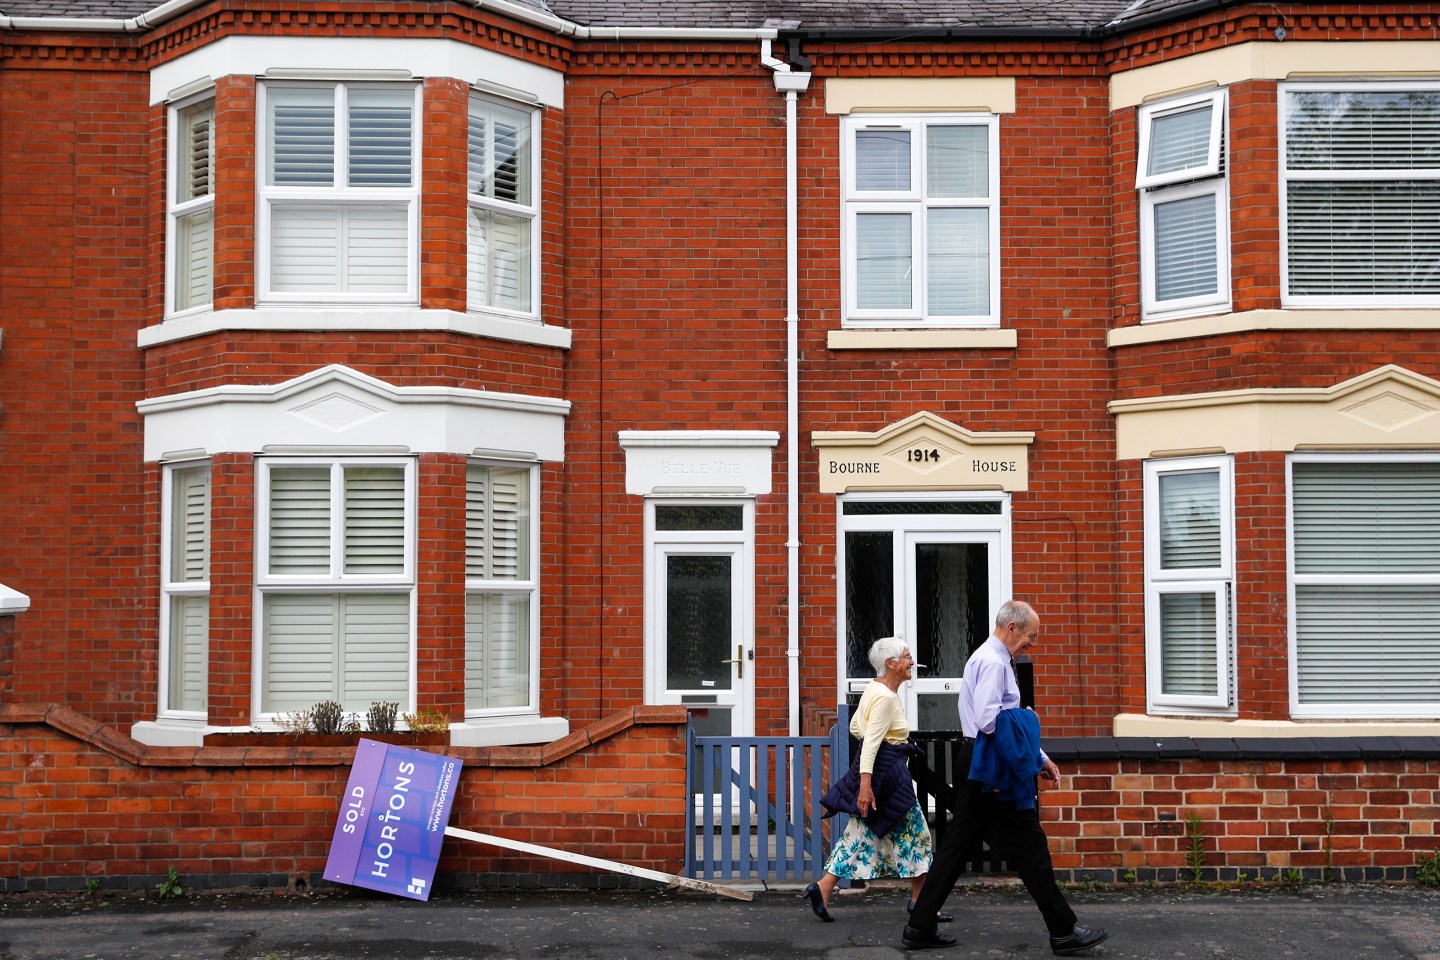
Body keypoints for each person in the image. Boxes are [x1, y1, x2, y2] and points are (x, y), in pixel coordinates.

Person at [901, 600, 1111, 956]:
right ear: (1011, 628)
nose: (1033, 643)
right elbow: (989, 720)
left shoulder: (989, 658)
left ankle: (919, 926)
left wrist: (1039, 756)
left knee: (956, 849)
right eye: (1031, 636)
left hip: (980, 761)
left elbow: (992, 721)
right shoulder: (994, 662)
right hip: (992, 765)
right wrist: (1029, 724)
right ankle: (1062, 932)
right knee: (1030, 848)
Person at [803, 636, 950, 924]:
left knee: (859, 835)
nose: (911, 662)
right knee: (918, 837)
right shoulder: (885, 698)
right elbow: (870, 741)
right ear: (891, 663)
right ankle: (921, 905)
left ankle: (822, 888)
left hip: (882, 770)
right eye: (906, 657)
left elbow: (857, 726)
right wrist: (866, 785)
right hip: (888, 776)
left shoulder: (875, 688)